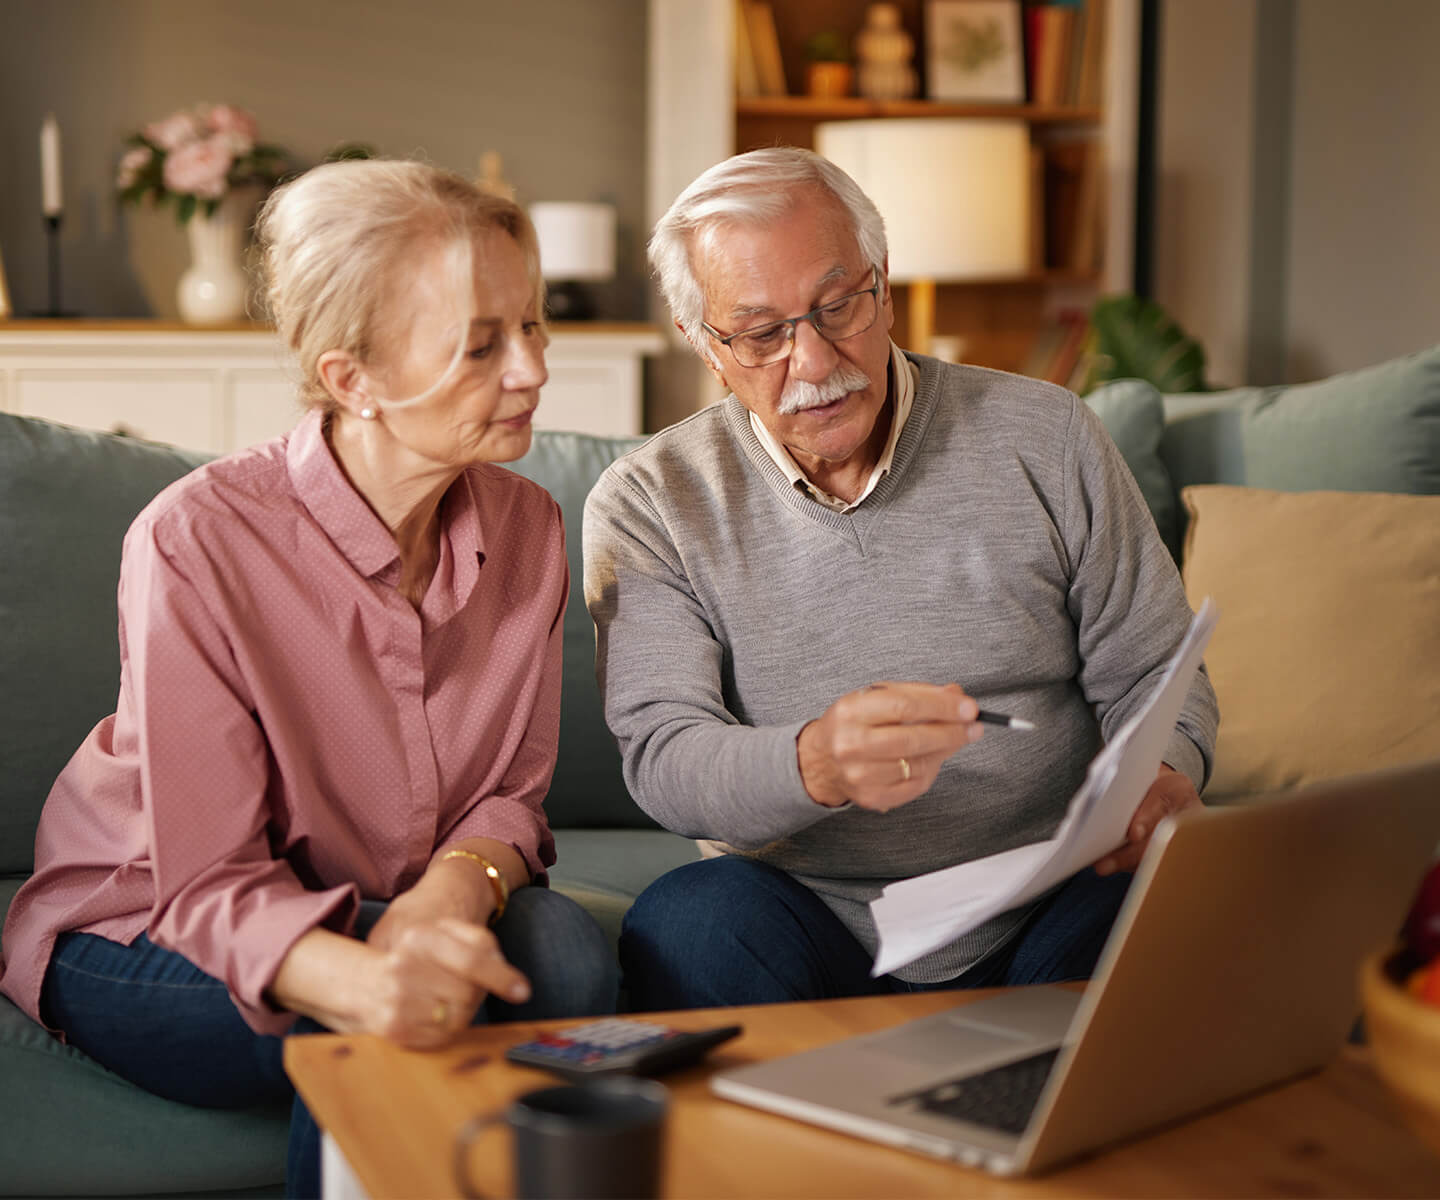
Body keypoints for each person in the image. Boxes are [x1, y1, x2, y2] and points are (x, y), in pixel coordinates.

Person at [0, 160, 617, 1197]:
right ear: (351, 379)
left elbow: (510, 795)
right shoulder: (198, 540)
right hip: (148, 921)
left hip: (383, 898)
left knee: (561, 954)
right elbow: (207, 884)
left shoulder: (531, 531)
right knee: (395, 1022)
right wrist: (375, 980)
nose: (533, 370)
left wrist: (452, 894)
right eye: (480, 345)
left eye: (535, 324)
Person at [583, 147, 1218, 1012]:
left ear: (882, 287)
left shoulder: (1048, 436)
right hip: (804, 910)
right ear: (706, 346)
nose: (813, 360)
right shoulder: (652, 501)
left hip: (1053, 891)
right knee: (691, 923)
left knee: (1160, 906)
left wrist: (1168, 768)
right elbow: (666, 758)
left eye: (838, 305)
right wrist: (816, 764)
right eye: (763, 333)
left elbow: (1157, 672)